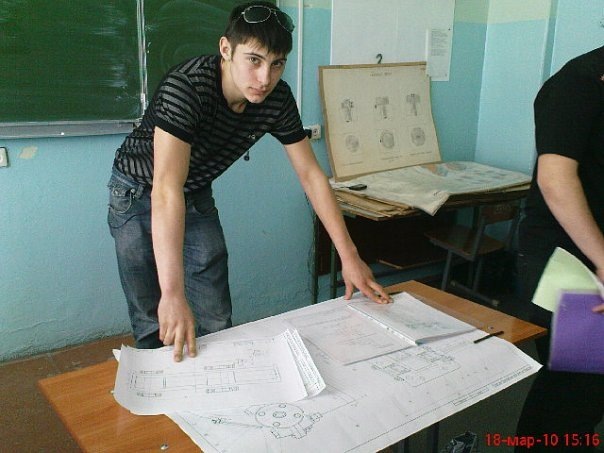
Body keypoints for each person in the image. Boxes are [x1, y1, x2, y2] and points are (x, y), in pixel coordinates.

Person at [107, 2, 390, 362]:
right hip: (137, 191)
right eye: (254, 60)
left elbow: (311, 175)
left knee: (215, 316)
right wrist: (173, 293)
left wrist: (350, 257)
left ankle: (219, 384)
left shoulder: (277, 99)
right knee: (155, 316)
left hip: (193, 190)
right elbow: (165, 190)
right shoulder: (187, 87)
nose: (265, 78)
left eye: (277, 64)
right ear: (226, 49)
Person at [515, 46, 604, 452]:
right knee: (575, 389)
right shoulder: (578, 82)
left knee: (585, 392)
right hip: (567, 261)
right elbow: (555, 181)